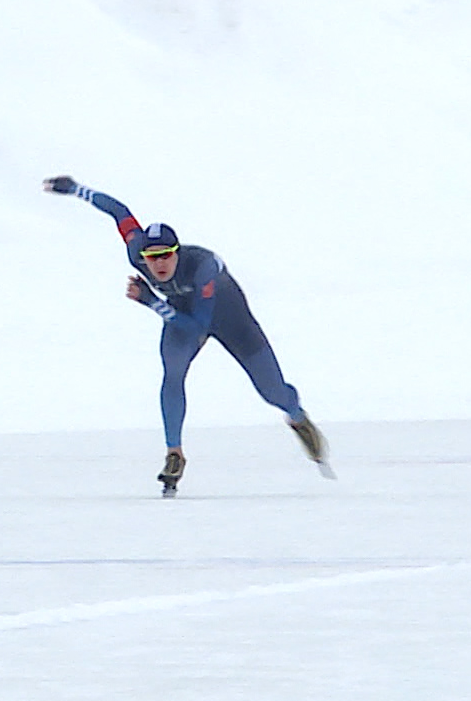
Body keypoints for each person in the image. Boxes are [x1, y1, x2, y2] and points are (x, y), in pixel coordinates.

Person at [42, 176, 332, 496]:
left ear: (178, 252)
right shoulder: (136, 251)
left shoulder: (203, 267)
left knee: (272, 392)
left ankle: (296, 415)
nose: (160, 264)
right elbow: (118, 211)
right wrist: (75, 189)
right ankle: (174, 454)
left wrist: (152, 302)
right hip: (181, 311)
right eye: (153, 258)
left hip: (228, 316)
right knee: (173, 371)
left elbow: (198, 326)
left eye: (167, 255)